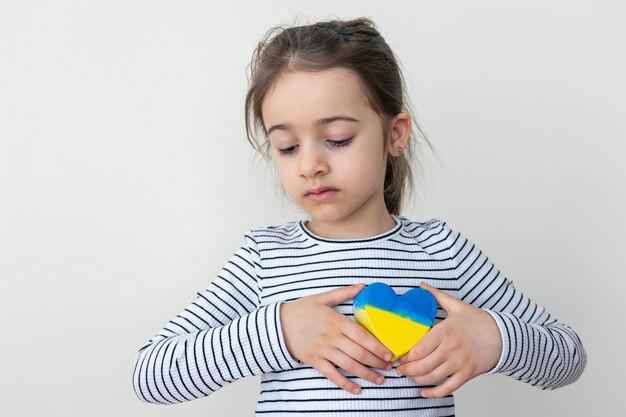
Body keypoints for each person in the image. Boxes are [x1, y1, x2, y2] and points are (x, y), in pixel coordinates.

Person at [132, 17, 586, 416]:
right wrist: (280, 330)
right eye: (287, 147)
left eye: (338, 138)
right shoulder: (263, 258)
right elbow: (151, 374)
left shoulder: (442, 250)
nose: (309, 164)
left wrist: (495, 340)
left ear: (395, 134)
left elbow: (568, 355)